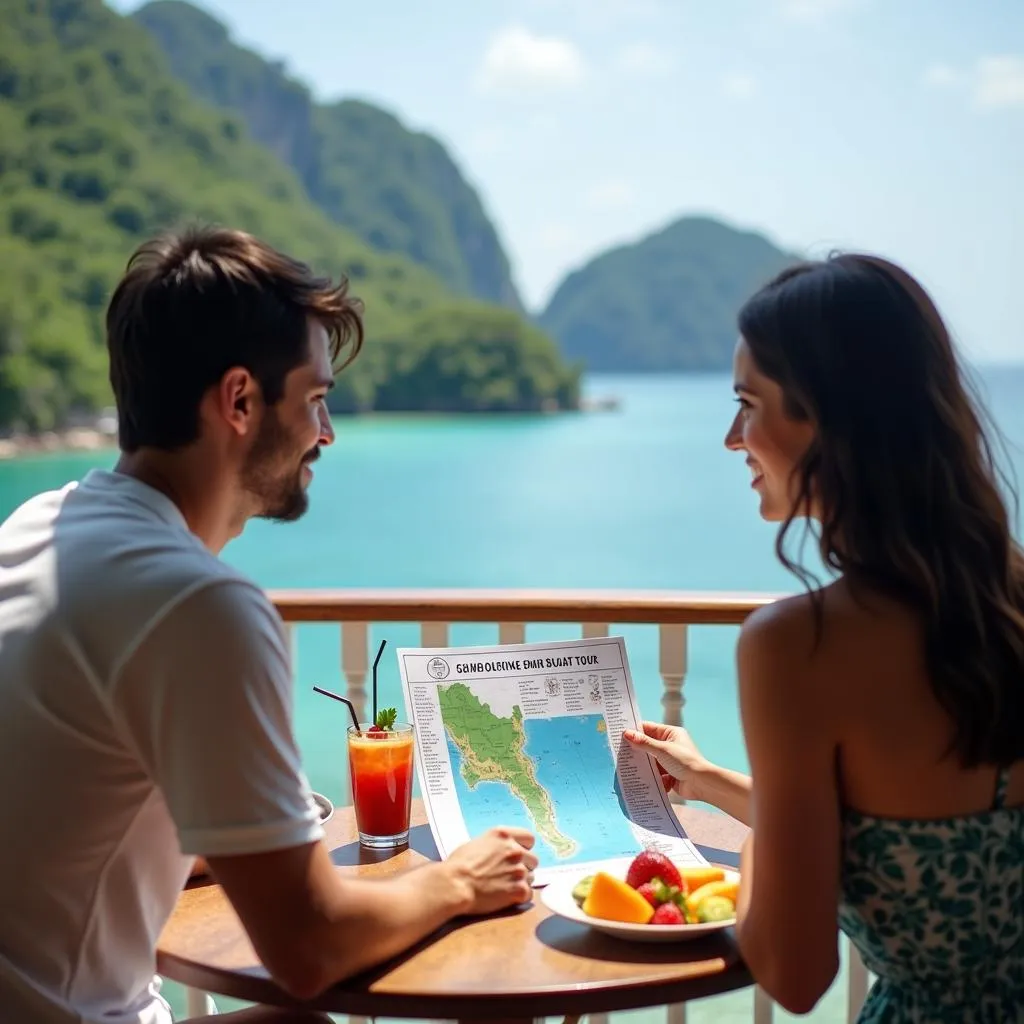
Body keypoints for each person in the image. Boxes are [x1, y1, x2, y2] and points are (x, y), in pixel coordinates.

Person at [0, 225, 537, 1024]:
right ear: (241, 401)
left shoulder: (38, 526)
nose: (327, 434)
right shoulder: (195, 604)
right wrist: (459, 880)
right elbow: (310, 947)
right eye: (316, 402)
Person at [626, 254, 1024, 1021]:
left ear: (830, 419)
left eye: (748, 403)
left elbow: (796, 972)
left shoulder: (797, 647)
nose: (731, 437)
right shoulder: (1001, 604)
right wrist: (709, 781)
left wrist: (752, 852)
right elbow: (912, 826)